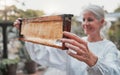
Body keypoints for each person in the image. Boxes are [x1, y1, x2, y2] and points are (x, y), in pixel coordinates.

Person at [14, 4, 120, 75]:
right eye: (83, 19)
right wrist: (26, 31)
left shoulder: (109, 47)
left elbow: (114, 72)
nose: (85, 24)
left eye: (90, 19)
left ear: (102, 22)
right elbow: (45, 55)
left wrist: (93, 61)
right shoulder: (75, 43)